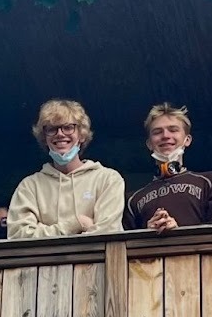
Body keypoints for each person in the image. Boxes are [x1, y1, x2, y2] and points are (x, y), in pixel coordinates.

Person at [7, 99, 125, 239]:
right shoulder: (29, 187)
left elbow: (108, 233)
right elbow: (18, 237)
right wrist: (74, 225)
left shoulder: (108, 179)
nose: (60, 134)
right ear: (44, 138)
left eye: (68, 127)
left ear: (81, 135)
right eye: (52, 129)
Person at [124, 104, 212, 231]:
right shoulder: (133, 199)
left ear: (187, 140)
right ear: (149, 144)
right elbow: (128, 242)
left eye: (173, 130)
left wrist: (178, 232)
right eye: (157, 132)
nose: (165, 136)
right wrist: (147, 233)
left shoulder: (210, 181)